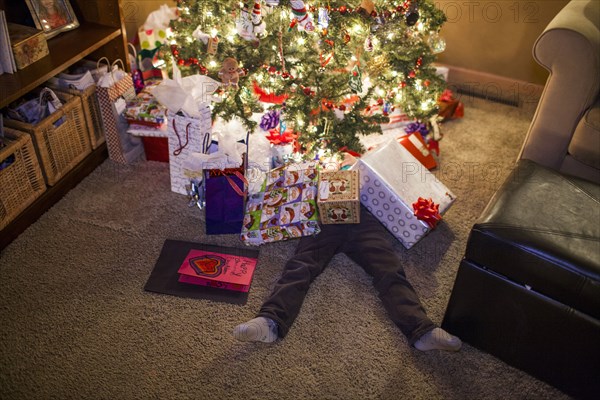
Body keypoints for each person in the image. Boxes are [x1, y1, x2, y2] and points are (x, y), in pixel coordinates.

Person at [233, 206, 462, 352]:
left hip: (366, 219)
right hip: (324, 216)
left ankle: (420, 330)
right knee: (300, 266)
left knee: (389, 269)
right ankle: (270, 321)